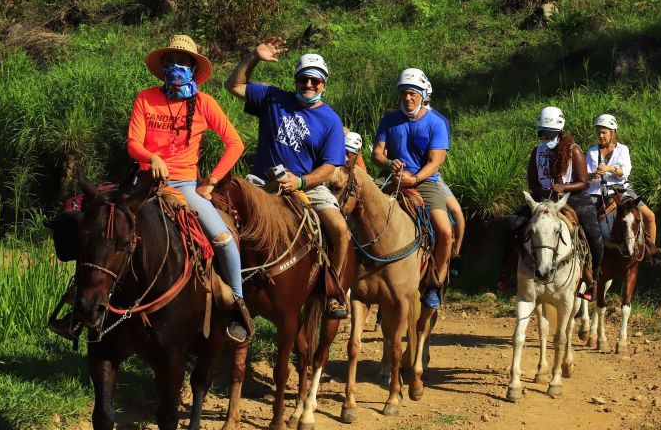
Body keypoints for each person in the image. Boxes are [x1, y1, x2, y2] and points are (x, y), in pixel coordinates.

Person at [127, 34, 250, 342]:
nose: (174, 67)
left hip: (183, 186)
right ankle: (84, 303)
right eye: (169, 62)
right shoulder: (145, 98)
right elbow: (133, 143)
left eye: (181, 62)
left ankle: (236, 304)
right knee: (107, 229)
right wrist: (151, 156)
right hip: (144, 183)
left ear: (193, 69)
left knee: (222, 239)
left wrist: (211, 182)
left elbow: (235, 144)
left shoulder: (205, 103)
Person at [225, 37, 351, 320]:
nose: (308, 85)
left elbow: (330, 166)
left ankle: (333, 292)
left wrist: (302, 182)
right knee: (221, 218)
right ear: (296, 80)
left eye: (315, 81)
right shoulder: (273, 98)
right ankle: (218, 289)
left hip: (306, 186)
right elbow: (233, 85)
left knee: (340, 230)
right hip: (261, 184)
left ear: (324, 85)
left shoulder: (330, 120)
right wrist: (252, 58)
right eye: (303, 79)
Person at [502, 106, 606, 300]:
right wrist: (542, 191)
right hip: (543, 198)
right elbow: (532, 181)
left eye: (550, 134)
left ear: (559, 132)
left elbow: (583, 181)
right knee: (512, 224)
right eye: (543, 134)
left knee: (594, 233)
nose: (546, 138)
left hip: (573, 197)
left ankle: (592, 279)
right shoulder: (537, 151)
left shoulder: (573, 150)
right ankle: (509, 270)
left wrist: (564, 187)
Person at [372, 68, 453, 310]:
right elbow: (377, 152)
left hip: (424, 181)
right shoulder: (389, 119)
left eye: (412, 94)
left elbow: (436, 161)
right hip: (389, 178)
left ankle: (434, 284)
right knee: (355, 208)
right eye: (404, 94)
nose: (407, 98)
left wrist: (415, 179)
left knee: (445, 231)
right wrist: (388, 163)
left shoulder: (436, 122)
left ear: (421, 95)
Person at [585, 113, 658, 253]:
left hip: (621, 189)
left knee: (649, 216)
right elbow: (585, 176)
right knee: (586, 221)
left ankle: (651, 250)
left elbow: (625, 172)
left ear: (613, 132)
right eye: (598, 132)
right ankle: (588, 254)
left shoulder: (622, 149)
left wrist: (609, 169)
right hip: (597, 191)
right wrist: (594, 174)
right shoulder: (592, 152)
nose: (600, 136)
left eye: (604, 132)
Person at [421, 77, 465, 258]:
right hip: (401, 173)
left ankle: (455, 255)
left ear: (428, 97)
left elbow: (438, 156)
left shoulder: (438, 120)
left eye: (424, 97)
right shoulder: (396, 118)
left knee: (456, 212)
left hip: (431, 175)